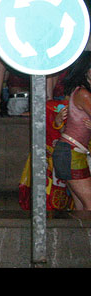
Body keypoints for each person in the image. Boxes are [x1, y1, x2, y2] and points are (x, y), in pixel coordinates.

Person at [52, 51, 91, 210]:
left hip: (70, 151)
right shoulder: (83, 94)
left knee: (80, 207)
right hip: (71, 153)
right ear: (86, 71)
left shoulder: (79, 92)